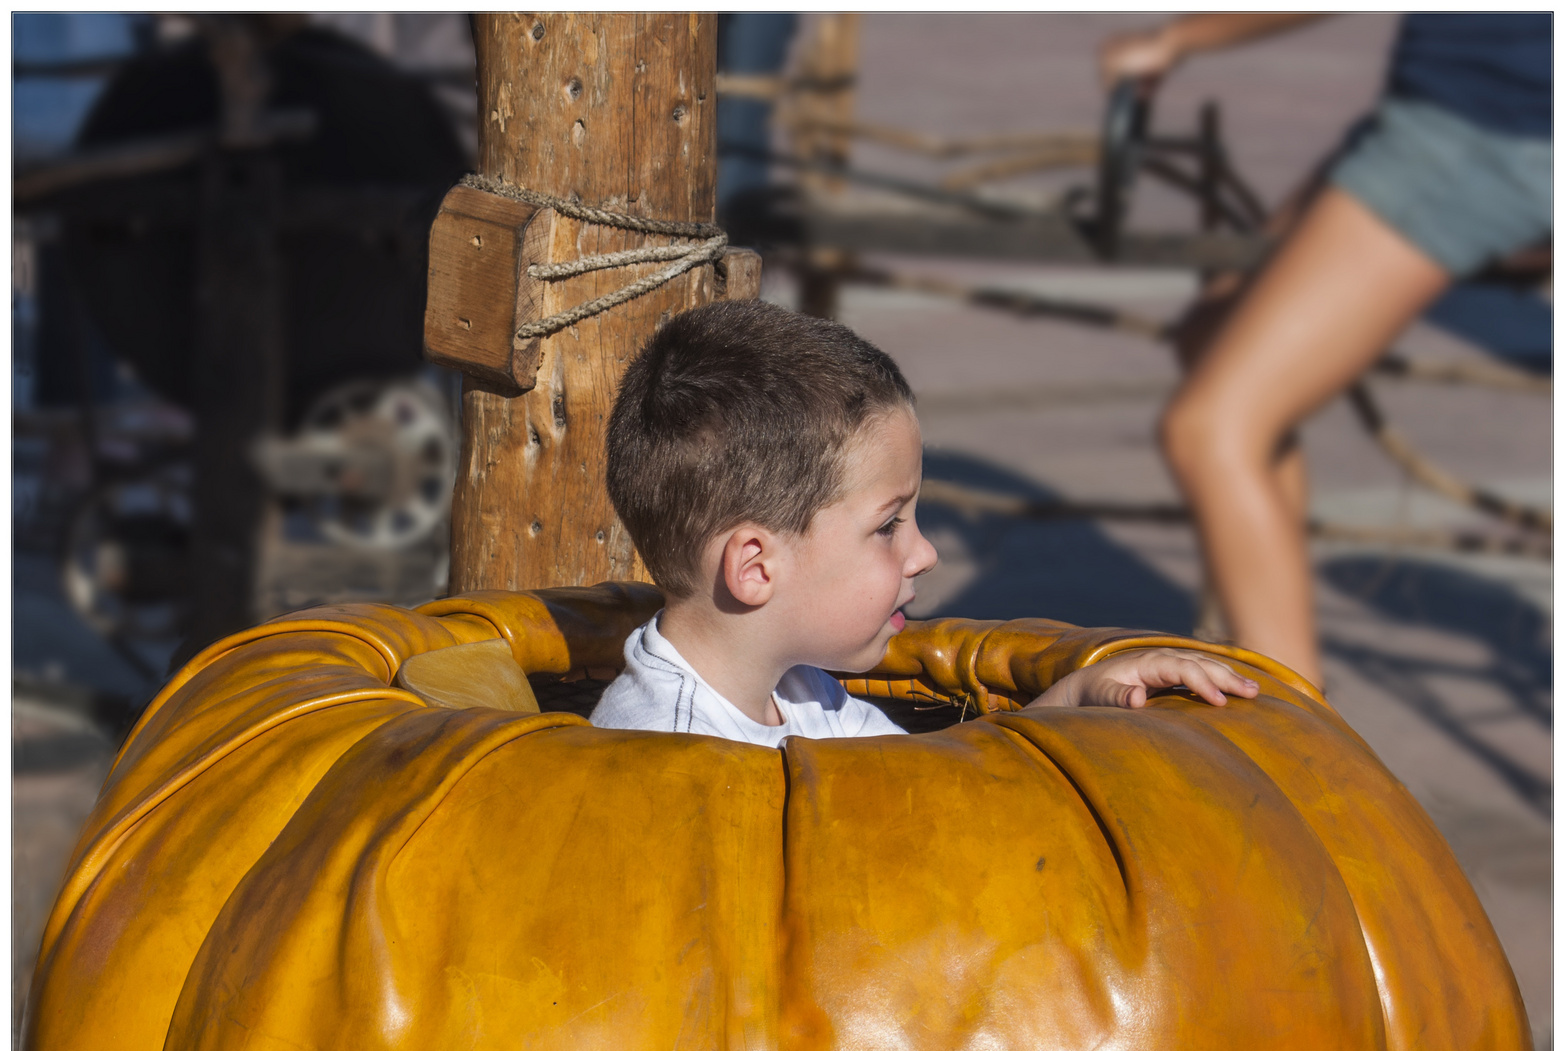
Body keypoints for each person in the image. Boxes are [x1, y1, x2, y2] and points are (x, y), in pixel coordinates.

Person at [1099, 14, 1552, 690]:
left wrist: (1177, 39)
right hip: (1446, 112)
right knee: (1212, 334)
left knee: (1208, 428)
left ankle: (1300, 746)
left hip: (1484, 129)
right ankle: (1258, 632)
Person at [590, 300, 1258, 744]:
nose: (925, 554)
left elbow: (929, 787)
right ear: (756, 568)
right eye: (887, 527)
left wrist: (1074, 695)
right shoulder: (662, 755)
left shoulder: (800, 691)